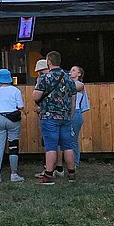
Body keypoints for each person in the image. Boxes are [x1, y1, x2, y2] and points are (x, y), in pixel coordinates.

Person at [32, 51, 78, 185]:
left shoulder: (45, 78)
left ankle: (48, 176)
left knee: (51, 147)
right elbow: (73, 99)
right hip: (65, 116)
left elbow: (36, 96)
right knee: (68, 146)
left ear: (48, 62)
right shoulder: (69, 78)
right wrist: (70, 114)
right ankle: (71, 174)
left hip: (49, 116)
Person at [0, 69, 25, 183]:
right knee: (13, 146)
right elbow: (21, 107)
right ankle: (14, 174)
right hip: (13, 119)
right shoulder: (15, 90)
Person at [69, 66, 90, 170]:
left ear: (79, 74)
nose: (70, 72)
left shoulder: (79, 85)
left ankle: (75, 163)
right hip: (69, 113)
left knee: (73, 139)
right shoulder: (69, 83)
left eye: (73, 70)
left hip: (76, 112)